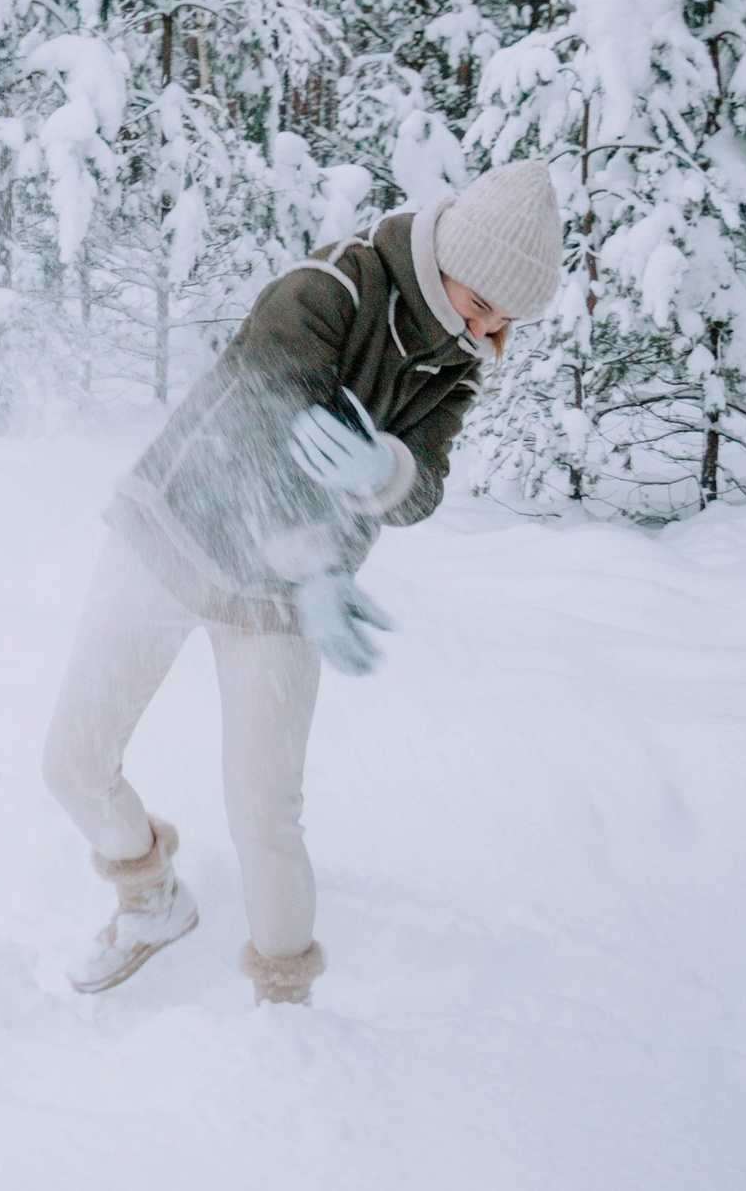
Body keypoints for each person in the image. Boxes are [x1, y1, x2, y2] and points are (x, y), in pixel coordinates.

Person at [41, 161, 562, 1004]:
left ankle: (285, 1004)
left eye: (508, 317)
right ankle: (150, 903)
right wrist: (316, 560)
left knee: (266, 812)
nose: (490, 328)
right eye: (482, 301)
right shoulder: (331, 287)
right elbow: (258, 423)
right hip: (179, 527)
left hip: (282, 599)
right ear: (447, 257)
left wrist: (386, 466)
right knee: (74, 759)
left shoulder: (456, 364)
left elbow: (423, 484)